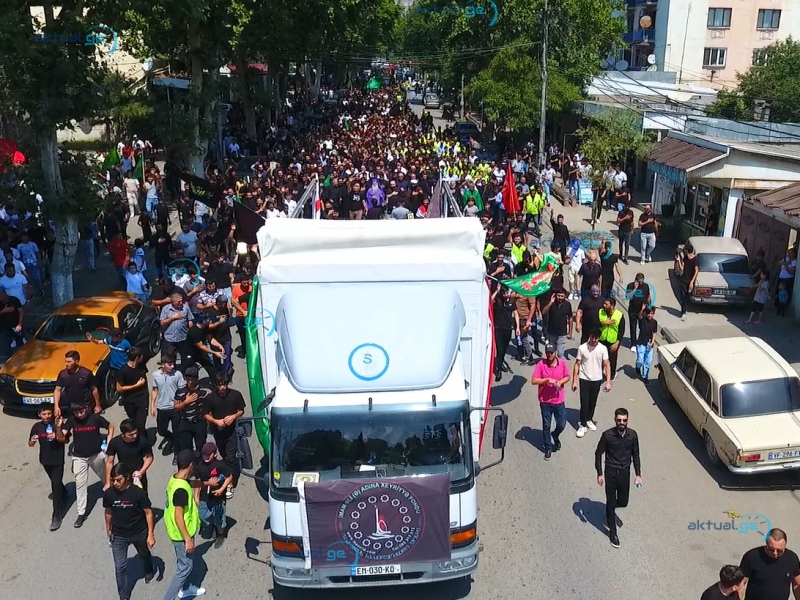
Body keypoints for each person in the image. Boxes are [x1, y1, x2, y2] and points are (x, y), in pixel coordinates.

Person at [104, 463, 157, 600]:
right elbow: (108, 511)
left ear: (127, 478)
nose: (115, 483)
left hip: (138, 532)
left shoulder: (138, 493)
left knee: (143, 553)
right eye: (113, 479)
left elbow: (148, 513)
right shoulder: (109, 494)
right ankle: (123, 596)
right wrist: (108, 528)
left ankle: (149, 569)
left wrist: (150, 534)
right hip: (118, 535)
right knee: (120, 567)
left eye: (119, 479)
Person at [595, 407, 642, 548]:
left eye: (624, 420)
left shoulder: (632, 435)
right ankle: (613, 533)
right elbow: (598, 453)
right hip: (610, 472)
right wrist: (599, 473)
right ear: (615, 420)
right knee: (611, 499)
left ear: (628, 420)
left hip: (625, 473)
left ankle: (609, 509)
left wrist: (638, 475)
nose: (622, 422)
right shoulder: (607, 435)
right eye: (619, 420)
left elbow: (636, 455)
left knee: (623, 501)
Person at [163, 449, 206, 600]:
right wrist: (188, 539)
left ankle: (186, 588)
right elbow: (178, 517)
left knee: (185, 563)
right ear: (191, 465)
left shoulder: (175, 479)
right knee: (184, 568)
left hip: (178, 532)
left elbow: (190, 483)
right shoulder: (181, 490)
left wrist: (206, 483)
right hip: (181, 534)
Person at [64, 403, 115, 528]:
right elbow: (62, 435)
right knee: (80, 484)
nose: (79, 415)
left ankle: (115, 500)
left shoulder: (95, 418)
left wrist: (108, 443)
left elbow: (111, 426)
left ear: (85, 408)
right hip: (79, 456)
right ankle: (81, 513)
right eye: (76, 413)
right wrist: (59, 428)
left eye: (81, 412)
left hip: (96, 455)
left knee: (106, 478)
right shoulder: (71, 420)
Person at [203, 375, 245, 499]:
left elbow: (241, 410)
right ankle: (228, 472)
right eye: (220, 384)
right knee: (224, 454)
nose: (222, 387)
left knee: (231, 457)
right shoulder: (210, 398)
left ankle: (229, 483)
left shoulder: (235, 395)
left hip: (232, 431)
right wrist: (216, 422)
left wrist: (233, 417)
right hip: (218, 432)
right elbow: (205, 414)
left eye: (225, 384)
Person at [28, 402, 68, 531]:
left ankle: (56, 515)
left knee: (55, 485)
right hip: (45, 460)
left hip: (57, 460)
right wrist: (32, 441)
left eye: (49, 413)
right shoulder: (36, 427)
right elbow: (30, 443)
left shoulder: (58, 424)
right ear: (39, 414)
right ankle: (65, 493)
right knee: (55, 482)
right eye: (44, 414)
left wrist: (57, 431)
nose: (46, 416)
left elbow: (65, 440)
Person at [530, 344, 570, 460]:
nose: (549, 354)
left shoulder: (562, 363)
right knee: (546, 425)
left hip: (558, 401)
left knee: (561, 424)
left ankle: (555, 435)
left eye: (551, 352)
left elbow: (568, 376)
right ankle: (548, 447)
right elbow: (533, 380)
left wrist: (560, 382)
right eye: (548, 352)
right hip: (545, 401)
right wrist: (546, 380)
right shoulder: (541, 365)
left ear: (555, 352)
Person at [740, 528, 800, 600]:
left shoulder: (792, 559)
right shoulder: (751, 557)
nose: (775, 553)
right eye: (771, 549)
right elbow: (740, 584)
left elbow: (797, 584)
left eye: (780, 550)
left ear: (785, 545)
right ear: (766, 543)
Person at [572, 330, 611, 438]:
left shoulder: (602, 349)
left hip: (597, 379)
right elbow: (577, 364)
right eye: (592, 337)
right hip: (584, 378)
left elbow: (607, 365)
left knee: (592, 402)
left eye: (596, 338)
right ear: (589, 336)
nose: (594, 340)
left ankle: (589, 419)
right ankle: (583, 425)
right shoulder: (582, 348)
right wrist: (574, 381)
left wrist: (608, 382)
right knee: (584, 402)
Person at [195, 443, 232, 547]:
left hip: (218, 497)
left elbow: (229, 477)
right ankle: (210, 524)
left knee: (220, 519)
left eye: (208, 454)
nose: (206, 457)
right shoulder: (199, 465)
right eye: (204, 454)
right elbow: (198, 480)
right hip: (204, 496)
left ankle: (221, 534)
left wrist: (221, 489)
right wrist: (196, 496)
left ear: (215, 454)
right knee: (202, 515)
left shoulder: (220, 465)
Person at [105, 418, 154, 492]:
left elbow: (149, 457)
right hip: (122, 477)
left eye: (136, 433)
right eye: (131, 435)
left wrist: (141, 471)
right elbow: (109, 462)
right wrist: (108, 482)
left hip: (139, 476)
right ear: (123, 434)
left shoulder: (143, 440)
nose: (135, 436)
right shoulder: (115, 442)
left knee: (141, 498)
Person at [151, 355, 186, 455]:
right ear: (163, 364)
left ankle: (177, 453)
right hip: (162, 408)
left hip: (174, 408)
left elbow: (182, 390)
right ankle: (170, 437)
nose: (172, 367)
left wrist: (180, 403)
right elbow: (154, 390)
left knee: (177, 432)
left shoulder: (178, 374)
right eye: (169, 364)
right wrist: (152, 406)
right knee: (161, 430)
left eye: (173, 364)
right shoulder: (156, 375)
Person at [54, 350, 101, 418]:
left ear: (77, 361)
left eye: (69, 362)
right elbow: (57, 390)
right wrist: (56, 406)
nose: (66, 364)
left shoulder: (86, 373)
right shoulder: (63, 374)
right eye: (66, 361)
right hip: (71, 407)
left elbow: (94, 389)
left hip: (86, 406)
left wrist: (97, 405)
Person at [175, 368, 211, 456]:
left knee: (201, 448)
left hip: (199, 421)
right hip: (185, 421)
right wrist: (186, 402)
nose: (190, 382)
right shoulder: (180, 392)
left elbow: (209, 408)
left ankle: (199, 466)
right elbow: (176, 408)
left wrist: (210, 423)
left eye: (192, 379)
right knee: (186, 449)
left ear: (197, 378)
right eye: (188, 379)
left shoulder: (204, 391)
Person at [116, 347, 150, 434]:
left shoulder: (141, 366)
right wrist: (136, 385)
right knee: (133, 423)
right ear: (137, 358)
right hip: (129, 401)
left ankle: (143, 440)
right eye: (141, 356)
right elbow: (119, 388)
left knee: (141, 424)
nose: (143, 357)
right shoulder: (123, 371)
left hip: (142, 399)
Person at [491, 285, 519, 382]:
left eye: (507, 293)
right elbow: (490, 300)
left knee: (504, 350)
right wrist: (497, 291)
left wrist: (517, 327)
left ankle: (500, 363)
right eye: (504, 293)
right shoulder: (498, 302)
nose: (506, 295)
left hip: (508, 329)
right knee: (500, 349)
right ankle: (498, 370)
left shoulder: (511, 302)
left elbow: (516, 314)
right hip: (498, 329)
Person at [160, 294, 194, 371]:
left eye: (181, 301)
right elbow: (162, 322)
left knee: (185, 357)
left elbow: (190, 320)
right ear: (172, 301)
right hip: (170, 338)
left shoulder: (185, 308)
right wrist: (173, 318)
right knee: (170, 357)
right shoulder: (166, 309)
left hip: (183, 337)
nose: (181, 303)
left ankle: (184, 371)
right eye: (178, 302)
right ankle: (172, 371)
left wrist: (192, 330)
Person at [542, 288, 572, 359]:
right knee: (551, 352)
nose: (560, 298)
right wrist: (551, 302)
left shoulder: (567, 304)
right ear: (555, 295)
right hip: (551, 332)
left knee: (561, 354)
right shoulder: (552, 303)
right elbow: (544, 312)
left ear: (565, 296)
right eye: (559, 296)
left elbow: (570, 318)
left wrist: (570, 332)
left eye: (562, 296)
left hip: (562, 333)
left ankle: (562, 369)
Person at [599, 298, 625, 379]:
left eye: (606, 304)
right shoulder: (601, 311)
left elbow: (621, 331)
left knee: (612, 359)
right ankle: (599, 374)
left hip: (613, 342)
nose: (604, 305)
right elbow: (596, 323)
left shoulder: (619, 315)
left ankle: (612, 374)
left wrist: (617, 343)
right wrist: (604, 323)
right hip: (602, 340)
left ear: (612, 305)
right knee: (600, 358)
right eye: (604, 303)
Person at [625, 274, 651, 352]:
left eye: (641, 281)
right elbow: (628, 297)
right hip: (633, 310)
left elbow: (648, 295)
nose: (640, 283)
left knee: (642, 326)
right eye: (638, 281)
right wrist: (635, 289)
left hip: (642, 310)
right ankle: (633, 344)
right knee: (633, 327)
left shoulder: (645, 286)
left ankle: (641, 341)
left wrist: (649, 304)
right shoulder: (630, 286)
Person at [634, 306, 658, 384]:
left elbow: (654, 333)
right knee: (640, 360)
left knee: (648, 361)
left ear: (654, 314)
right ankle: (638, 367)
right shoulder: (643, 320)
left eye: (651, 313)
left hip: (649, 344)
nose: (650, 315)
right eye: (648, 313)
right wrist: (642, 309)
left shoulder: (654, 322)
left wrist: (653, 342)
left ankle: (645, 377)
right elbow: (639, 316)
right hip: (641, 343)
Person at [675, 243, 698, 321]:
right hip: (683, 280)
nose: (683, 251)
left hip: (690, 281)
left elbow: (696, 271)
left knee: (687, 297)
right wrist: (678, 261)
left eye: (684, 249)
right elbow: (682, 268)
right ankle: (683, 312)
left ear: (687, 250)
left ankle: (684, 309)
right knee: (682, 296)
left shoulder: (695, 259)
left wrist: (692, 282)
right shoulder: (685, 258)